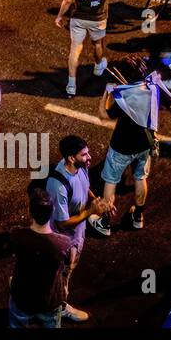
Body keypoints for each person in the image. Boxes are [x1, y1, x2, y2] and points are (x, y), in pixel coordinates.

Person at [90, 83, 171, 235]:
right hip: (144, 145)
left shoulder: (125, 97)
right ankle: (138, 216)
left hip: (121, 146)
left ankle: (105, 222)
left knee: (111, 181)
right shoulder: (154, 87)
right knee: (140, 177)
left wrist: (107, 92)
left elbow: (103, 116)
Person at [44, 135, 108, 322]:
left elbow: (84, 186)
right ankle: (61, 307)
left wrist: (96, 200)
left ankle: (28, 285)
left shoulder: (80, 167)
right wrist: (91, 212)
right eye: (84, 154)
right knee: (63, 274)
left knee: (64, 271)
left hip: (77, 233)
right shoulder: (57, 184)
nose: (89, 157)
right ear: (71, 158)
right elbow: (63, 222)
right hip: (64, 238)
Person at [8, 187, 77, 328]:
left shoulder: (16, 235)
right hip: (50, 301)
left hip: (22, 297)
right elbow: (70, 264)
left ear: (30, 212)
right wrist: (65, 285)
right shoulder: (65, 244)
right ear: (51, 212)